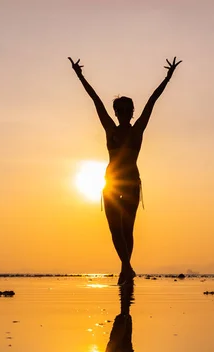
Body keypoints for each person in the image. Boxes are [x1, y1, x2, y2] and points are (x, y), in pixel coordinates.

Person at [69, 56, 182, 285]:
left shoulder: (138, 129)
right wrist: (80, 76)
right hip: (110, 183)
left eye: (125, 109)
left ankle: (125, 269)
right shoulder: (109, 128)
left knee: (127, 228)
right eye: (118, 109)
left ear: (131, 111)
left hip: (131, 182)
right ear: (116, 112)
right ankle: (126, 267)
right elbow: (95, 100)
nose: (121, 112)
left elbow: (153, 101)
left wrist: (167, 78)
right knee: (114, 229)